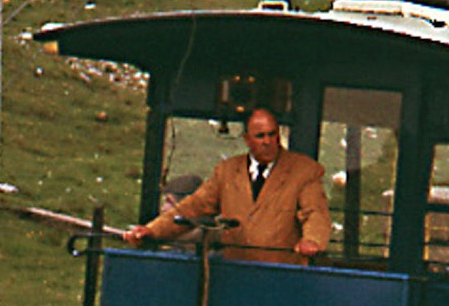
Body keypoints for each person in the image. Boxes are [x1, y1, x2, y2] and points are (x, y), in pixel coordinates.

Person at [123, 108, 331, 264]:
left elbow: (315, 212)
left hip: (280, 277)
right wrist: (151, 231)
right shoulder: (227, 172)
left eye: (272, 134)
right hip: (233, 274)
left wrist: (312, 241)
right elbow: (192, 207)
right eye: (260, 136)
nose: (267, 141)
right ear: (247, 140)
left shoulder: (305, 171)